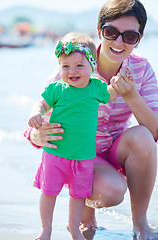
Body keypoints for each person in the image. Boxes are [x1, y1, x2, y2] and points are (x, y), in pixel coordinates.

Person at [24, 0, 158, 239]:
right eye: (111, 32)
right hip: (78, 154)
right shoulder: (75, 65)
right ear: (99, 31)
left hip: (115, 150)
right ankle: (84, 214)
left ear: (139, 39)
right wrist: (37, 134)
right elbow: (39, 116)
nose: (118, 42)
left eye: (129, 36)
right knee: (112, 191)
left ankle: (140, 223)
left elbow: (155, 131)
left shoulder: (141, 69)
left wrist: (131, 96)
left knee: (144, 137)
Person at [28, 32, 130, 240]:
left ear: (92, 66)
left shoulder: (96, 88)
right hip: (55, 154)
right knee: (49, 192)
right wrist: (35, 113)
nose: (71, 71)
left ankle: (74, 227)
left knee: (78, 195)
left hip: (83, 157)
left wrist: (119, 85)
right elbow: (41, 103)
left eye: (79, 66)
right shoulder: (57, 89)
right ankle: (46, 229)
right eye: (65, 66)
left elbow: (109, 94)